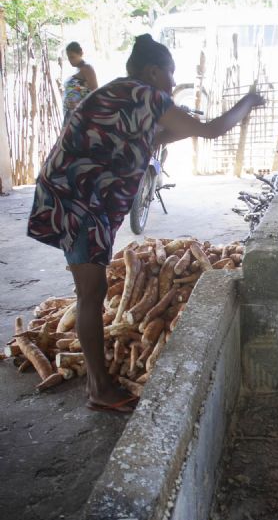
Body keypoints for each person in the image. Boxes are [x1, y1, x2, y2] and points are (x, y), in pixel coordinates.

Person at [28, 33, 265, 414]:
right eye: (170, 75)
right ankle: (98, 387)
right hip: (79, 198)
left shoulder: (122, 93)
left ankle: (97, 382)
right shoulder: (146, 94)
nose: (172, 84)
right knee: (91, 291)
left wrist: (187, 120)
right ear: (153, 73)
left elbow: (159, 135)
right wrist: (249, 102)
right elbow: (211, 131)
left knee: (91, 286)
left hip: (72, 192)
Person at [62, 41, 98, 124]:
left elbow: (95, 92)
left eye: (72, 57)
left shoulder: (87, 68)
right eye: (68, 57)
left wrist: (79, 104)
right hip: (72, 114)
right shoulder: (79, 69)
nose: (70, 60)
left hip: (79, 115)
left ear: (81, 53)